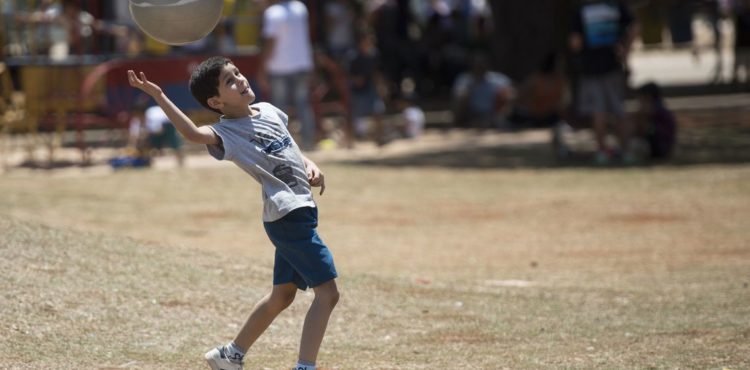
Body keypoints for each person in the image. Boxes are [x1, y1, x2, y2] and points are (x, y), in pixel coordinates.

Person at [126, 56, 339, 370]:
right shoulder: (228, 133)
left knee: (282, 296)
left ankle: (230, 355)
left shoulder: (268, 110)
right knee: (328, 294)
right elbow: (193, 134)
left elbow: (289, 147)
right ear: (216, 101)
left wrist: (309, 164)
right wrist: (159, 96)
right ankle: (305, 366)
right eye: (230, 81)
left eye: (237, 73)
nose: (240, 80)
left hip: (299, 212)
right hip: (287, 216)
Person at [569, 0, 637, 164]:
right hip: (613, 65)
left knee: (598, 112)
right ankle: (626, 152)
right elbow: (635, 27)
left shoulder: (583, 9)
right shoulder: (615, 6)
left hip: (590, 68)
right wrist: (626, 50)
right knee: (620, 110)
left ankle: (602, 152)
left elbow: (575, 42)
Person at [258, 0, 317, 151]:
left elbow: (270, 42)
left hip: (279, 66)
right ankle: (308, 141)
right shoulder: (300, 7)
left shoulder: (272, 13)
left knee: (279, 106)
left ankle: (282, 143)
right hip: (302, 63)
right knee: (303, 104)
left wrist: (263, 68)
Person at [346, 29, 388, 144]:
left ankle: (380, 137)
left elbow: (376, 72)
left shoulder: (374, 54)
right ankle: (349, 140)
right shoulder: (353, 56)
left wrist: (381, 85)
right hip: (356, 89)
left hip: (370, 87)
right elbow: (346, 74)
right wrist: (355, 80)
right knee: (353, 115)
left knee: (378, 110)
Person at [451, 53, 514, 129]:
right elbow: (458, 96)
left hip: (493, 113)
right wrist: (472, 86)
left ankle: (496, 121)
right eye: (477, 64)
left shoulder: (498, 79)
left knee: (506, 95)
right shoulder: (464, 79)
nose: (480, 66)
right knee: (462, 96)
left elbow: (512, 94)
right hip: (471, 113)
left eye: (482, 63)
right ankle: (458, 123)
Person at [634, 82, 677, 160]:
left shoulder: (653, 110)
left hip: (659, 148)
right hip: (662, 147)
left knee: (635, 144)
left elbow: (644, 131)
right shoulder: (661, 109)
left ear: (648, 97)